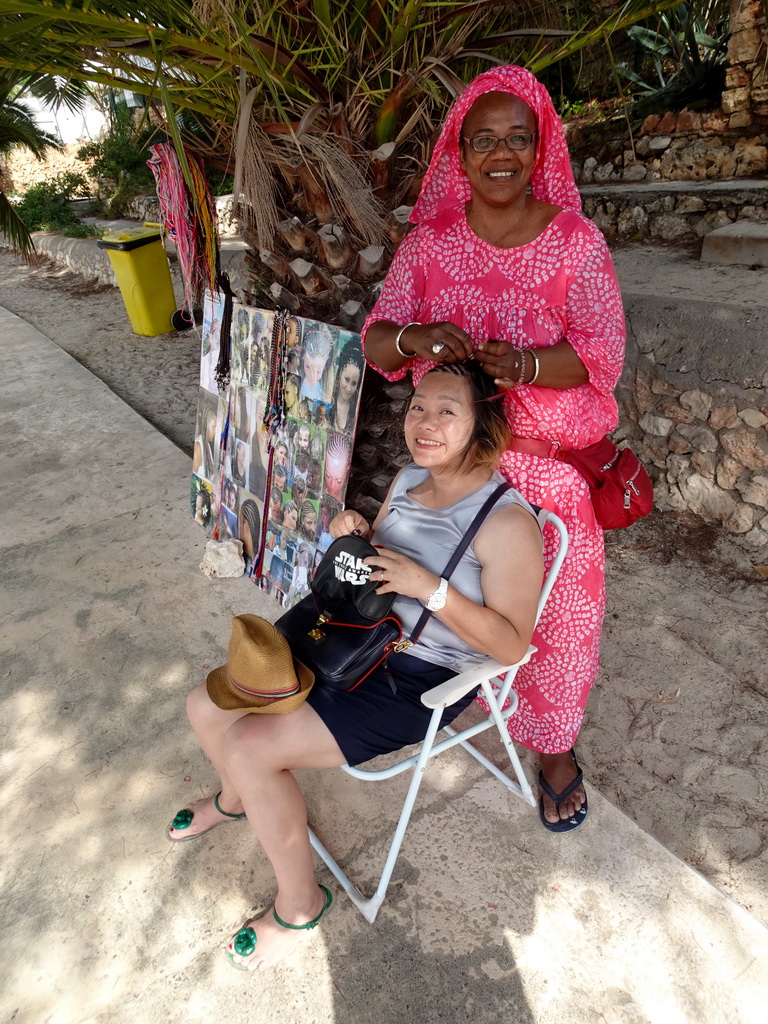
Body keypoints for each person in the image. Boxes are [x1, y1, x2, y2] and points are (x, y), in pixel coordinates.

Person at [166, 361, 543, 971]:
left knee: (251, 744)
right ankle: (237, 799)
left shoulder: (506, 523)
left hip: (417, 682)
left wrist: (431, 589)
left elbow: (511, 647)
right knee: (204, 704)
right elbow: (378, 567)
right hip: (354, 637)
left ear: (485, 423)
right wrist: (354, 533)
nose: (425, 422)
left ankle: (299, 903)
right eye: (418, 406)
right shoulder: (409, 477)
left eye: (448, 411)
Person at [363, 65, 626, 833]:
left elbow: (602, 350)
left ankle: (552, 752)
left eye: (518, 138)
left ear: (540, 148)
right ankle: (444, 706)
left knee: (555, 625)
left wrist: (529, 365)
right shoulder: (430, 244)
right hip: (449, 470)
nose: (501, 153)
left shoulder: (576, 243)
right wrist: (414, 336)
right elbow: (378, 337)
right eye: (485, 140)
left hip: (543, 473)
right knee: (447, 605)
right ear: (461, 153)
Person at [330, 341, 365, 434]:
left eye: (354, 384)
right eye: (346, 379)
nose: (349, 389)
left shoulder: (357, 412)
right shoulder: (327, 401)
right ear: (340, 371)